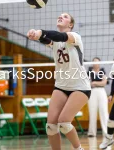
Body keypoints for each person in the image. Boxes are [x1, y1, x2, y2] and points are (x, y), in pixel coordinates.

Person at [27, 13, 91, 150]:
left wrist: (41, 32)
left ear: (71, 25)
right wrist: (35, 35)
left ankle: (79, 149)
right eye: (60, 16)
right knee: (50, 126)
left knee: (64, 122)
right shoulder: (55, 41)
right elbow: (48, 39)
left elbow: (59, 36)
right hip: (61, 86)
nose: (61, 17)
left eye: (65, 16)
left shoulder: (75, 37)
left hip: (80, 86)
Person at [87, 57, 108, 137]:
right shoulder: (89, 72)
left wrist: (95, 82)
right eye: (94, 62)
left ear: (99, 63)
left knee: (104, 112)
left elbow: (104, 83)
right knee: (92, 112)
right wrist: (97, 83)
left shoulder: (102, 71)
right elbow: (89, 84)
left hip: (102, 91)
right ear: (92, 63)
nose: (96, 63)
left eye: (97, 62)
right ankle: (92, 132)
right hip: (92, 92)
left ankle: (106, 132)